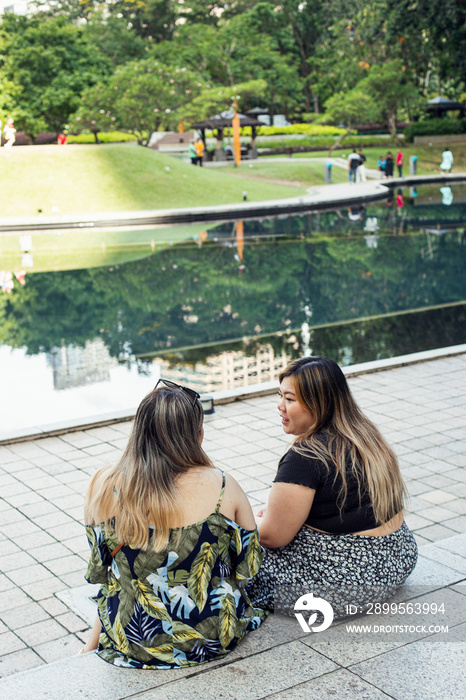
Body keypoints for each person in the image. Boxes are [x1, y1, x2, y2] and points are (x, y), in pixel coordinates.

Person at [81, 379, 268, 667]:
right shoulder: (222, 486)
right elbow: (248, 568)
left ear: (139, 431)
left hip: (132, 640)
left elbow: (100, 570)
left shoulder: (103, 485)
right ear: (199, 435)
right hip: (211, 639)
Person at [248, 356, 417, 619]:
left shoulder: (305, 457)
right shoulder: (364, 434)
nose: (279, 406)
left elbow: (272, 537)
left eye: (290, 399)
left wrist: (251, 524)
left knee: (232, 552)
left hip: (347, 586)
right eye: (280, 396)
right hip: (397, 558)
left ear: (318, 404)